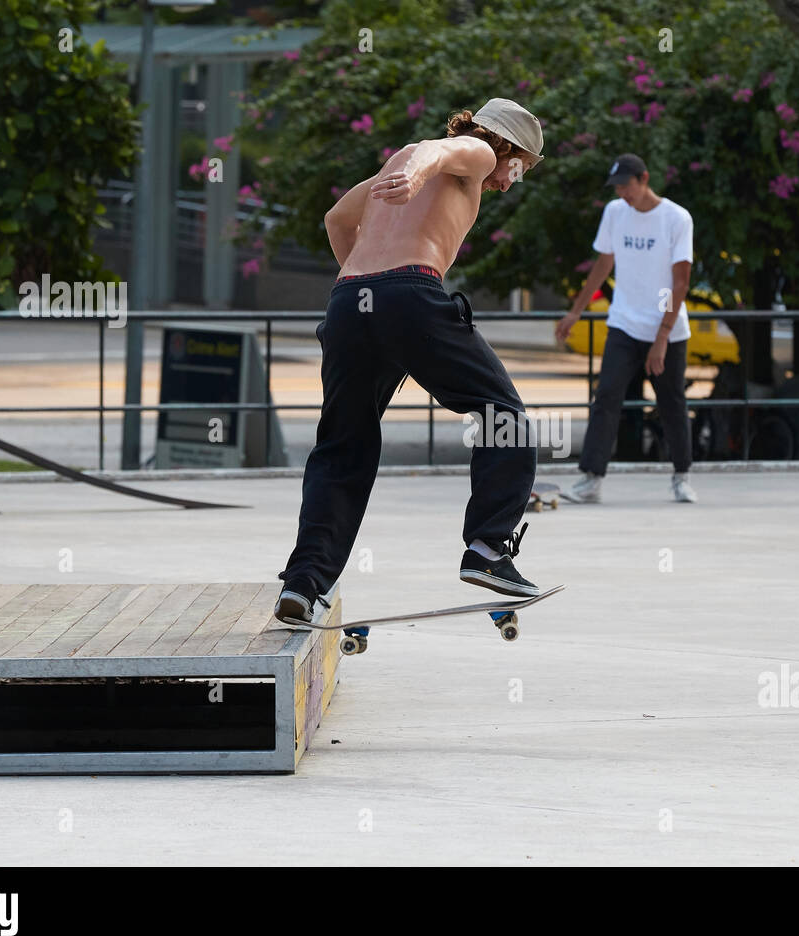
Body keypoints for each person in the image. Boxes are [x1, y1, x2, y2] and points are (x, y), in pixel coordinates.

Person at [274, 98, 545, 626]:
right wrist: (418, 173)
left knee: (342, 445)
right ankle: (489, 550)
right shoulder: (478, 154)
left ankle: (305, 584)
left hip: (350, 301)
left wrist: (366, 280)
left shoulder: (388, 169)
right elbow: (439, 150)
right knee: (502, 414)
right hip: (411, 294)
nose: (514, 181)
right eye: (523, 168)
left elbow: (336, 218)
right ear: (508, 146)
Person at [556, 153, 698, 503]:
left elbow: (680, 284)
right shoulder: (615, 213)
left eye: (626, 185)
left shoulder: (676, 219)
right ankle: (591, 478)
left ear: (644, 178)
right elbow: (602, 265)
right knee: (606, 397)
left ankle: (681, 475)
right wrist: (575, 312)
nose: (622, 193)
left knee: (671, 403)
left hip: (666, 329)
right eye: (617, 187)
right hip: (624, 322)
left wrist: (661, 338)